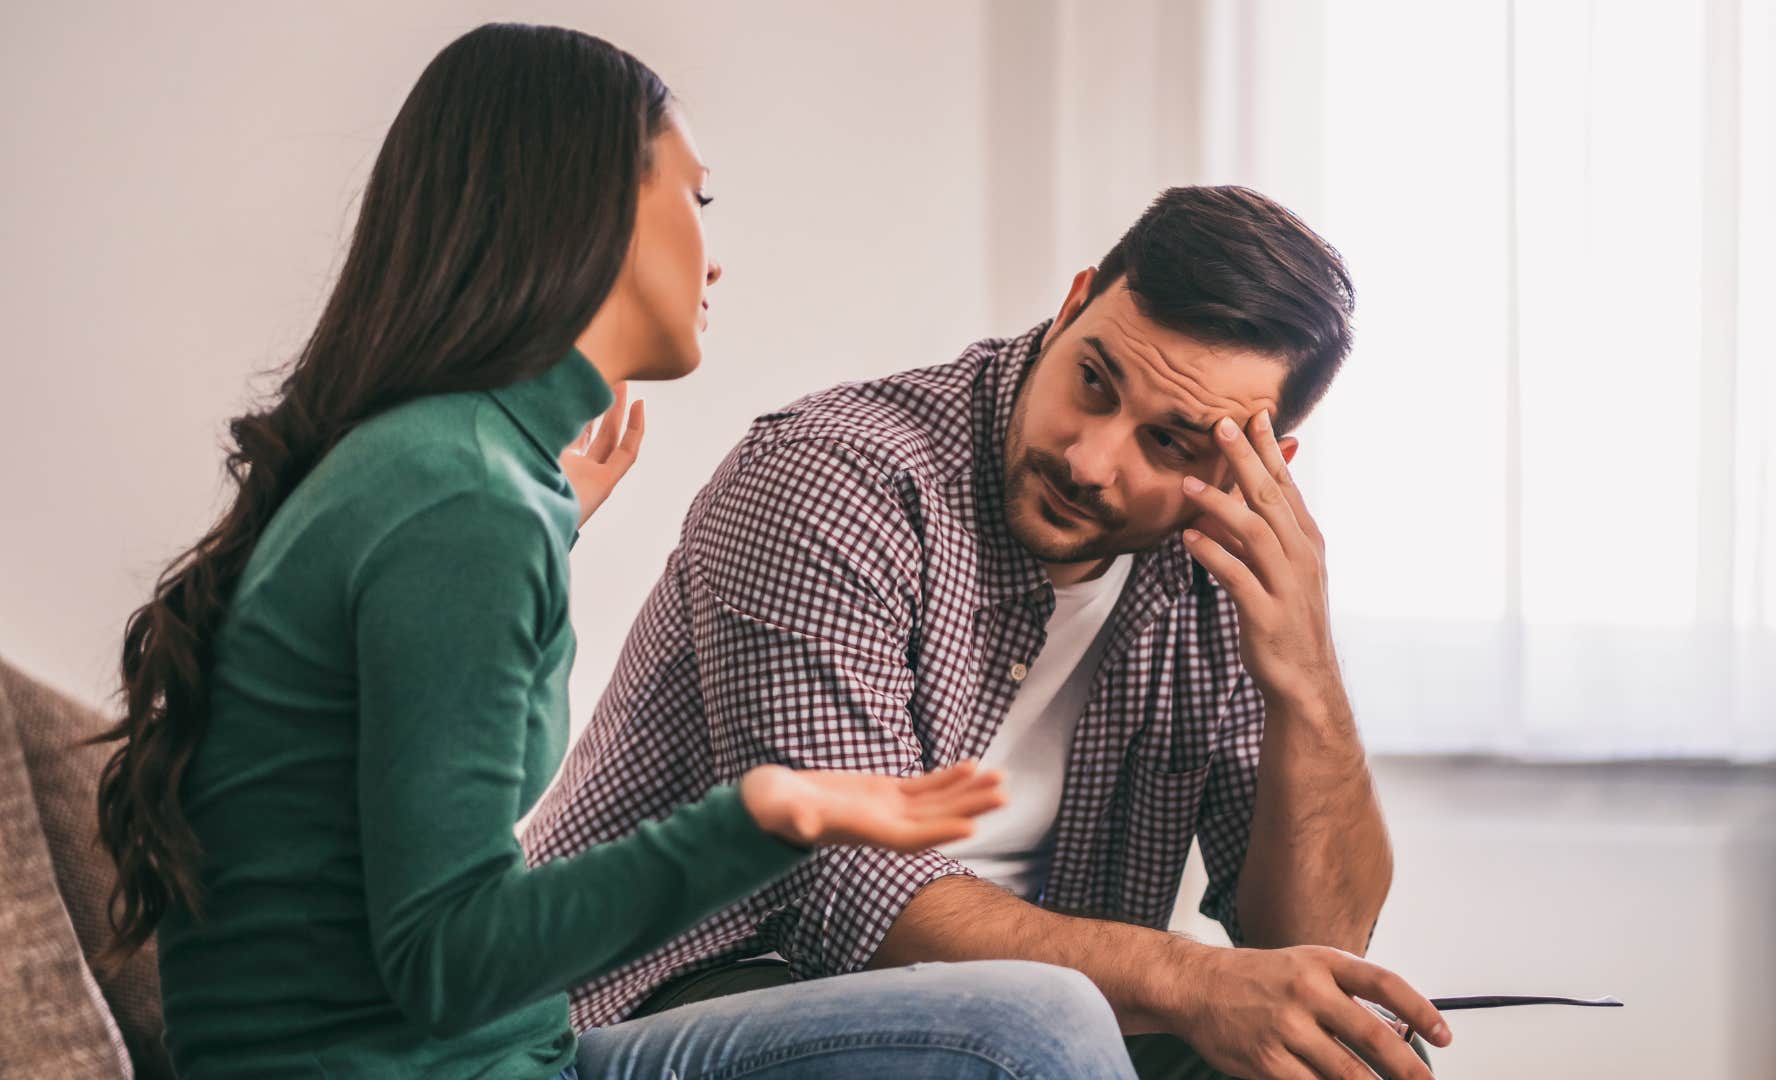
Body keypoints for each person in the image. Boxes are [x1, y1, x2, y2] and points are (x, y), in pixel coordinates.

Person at [93, 22, 1135, 1080]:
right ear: (588, 210)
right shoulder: (458, 500)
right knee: (1033, 1032)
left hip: (490, 1059)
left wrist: (541, 524)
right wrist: (765, 816)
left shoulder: (447, 477)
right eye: (698, 198)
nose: (715, 251)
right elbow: (450, 964)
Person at [523, 182, 1456, 1080]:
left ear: (1262, 463)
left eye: (1168, 442)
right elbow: (850, 898)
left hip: (1011, 1043)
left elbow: (1314, 944)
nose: (1091, 460)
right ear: (1073, 305)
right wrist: (1187, 979)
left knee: (1344, 1052)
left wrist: (1308, 677)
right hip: (643, 1014)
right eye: (1094, 381)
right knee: (1036, 1022)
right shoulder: (833, 480)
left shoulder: (1220, 568)